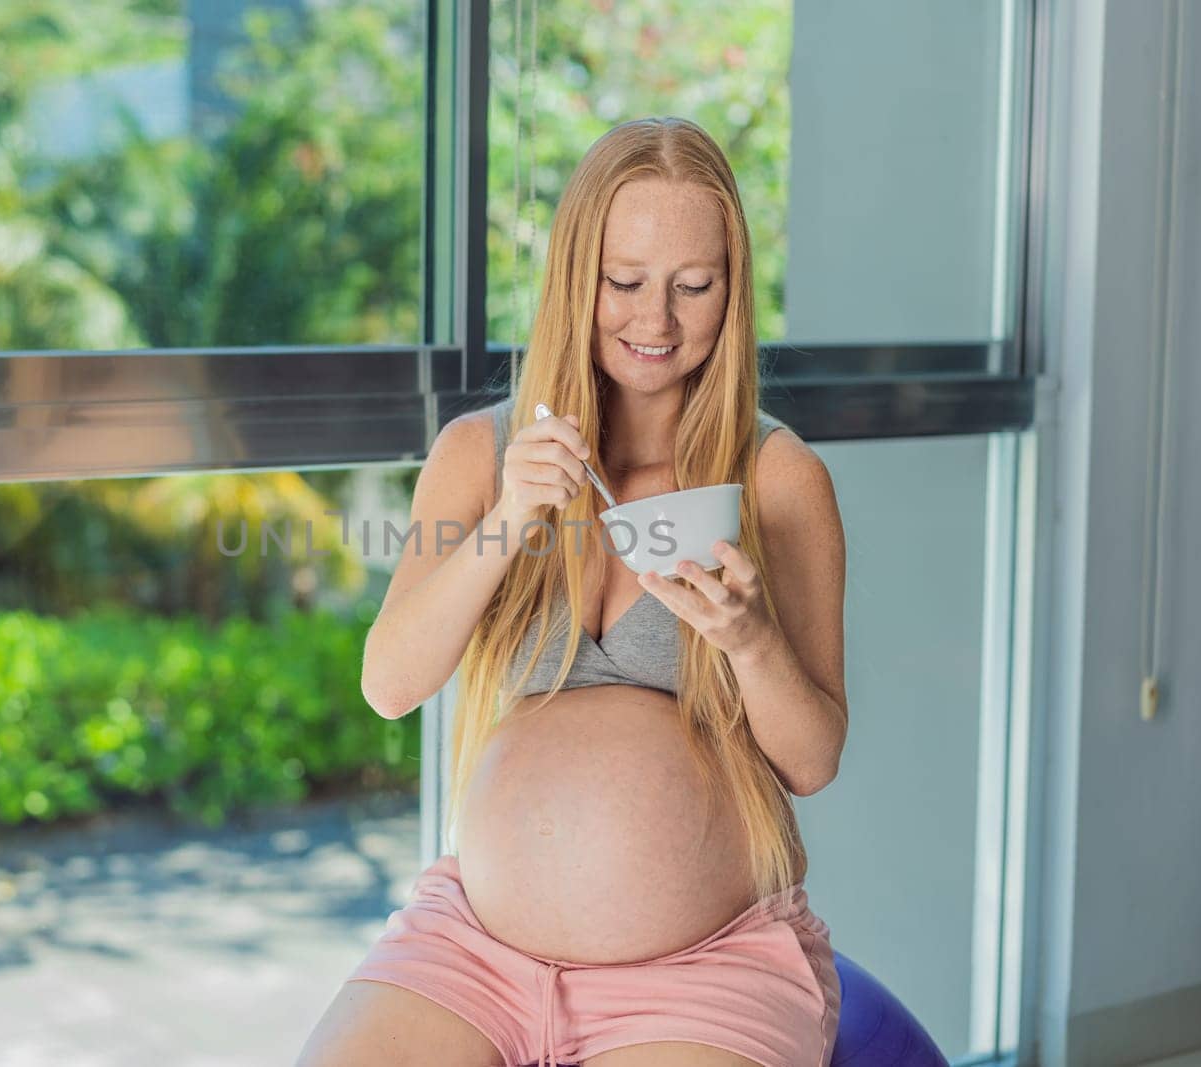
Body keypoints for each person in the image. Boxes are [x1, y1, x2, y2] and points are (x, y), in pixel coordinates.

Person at [297, 116, 849, 1067]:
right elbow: (389, 682)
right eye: (624, 282)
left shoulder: (776, 479)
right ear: (572, 277)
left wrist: (753, 641)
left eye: (694, 286)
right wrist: (509, 516)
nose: (657, 321)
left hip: (702, 968)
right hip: (475, 947)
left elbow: (813, 760)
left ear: (735, 288)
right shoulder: (479, 454)